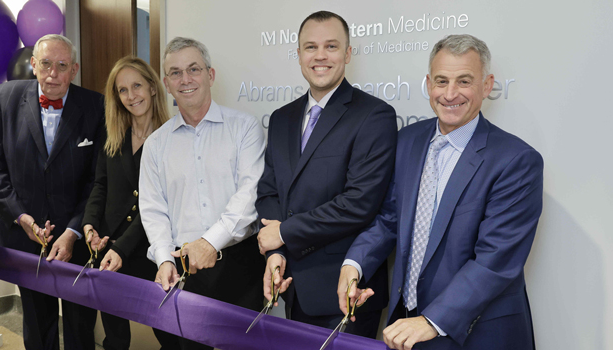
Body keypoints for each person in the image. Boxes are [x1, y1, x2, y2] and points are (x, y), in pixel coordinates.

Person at [340, 34, 543, 350]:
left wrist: (432, 320)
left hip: (476, 333)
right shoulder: (407, 140)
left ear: (487, 85)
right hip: (406, 324)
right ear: (428, 83)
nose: (450, 94)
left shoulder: (516, 160)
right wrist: (354, 264)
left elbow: (494, 261)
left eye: (464, 81)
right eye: (441, 81)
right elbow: (390, 219)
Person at [254, 10, 397, 337]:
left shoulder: (374, 116)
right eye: (310, 47)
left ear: (347, 54)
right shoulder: (281, 118)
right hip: (293, 285)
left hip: (345, 291)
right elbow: (269, 192)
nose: (320, 56)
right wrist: (276, 252)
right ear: (300, 54)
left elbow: (359, 203)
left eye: (331, 46)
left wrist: (285, 233)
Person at [0, 34, 104, 350]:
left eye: (62, 66)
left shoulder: (95, 106)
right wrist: (21, 218)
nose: (53, 74)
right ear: (33, 64)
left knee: (80, 327)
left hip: (77, 240)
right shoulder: (4, 99)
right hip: (25, 238)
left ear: (74, 70)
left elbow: (98, 179)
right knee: (37, 326)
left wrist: (73, 231)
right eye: (46, 64)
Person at [140, 37, 266, 349]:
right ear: (167, 84)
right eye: (175, 73)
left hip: (240, 268)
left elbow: (249, 196)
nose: (185, 80)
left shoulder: (245, 129)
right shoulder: (156, 145)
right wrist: (162, 258)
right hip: (182, 270)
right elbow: (153, 210)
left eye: (193, 69)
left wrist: (210, 242)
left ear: (210, 75)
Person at [81, 56, 177, 350]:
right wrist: (89, 225)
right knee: (115, 337)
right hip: (108, 247)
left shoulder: (172, 137)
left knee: (170, 334)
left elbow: (158, 204)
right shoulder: (113, 135)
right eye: (122, 90)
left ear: (152, 87)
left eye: (137, 86)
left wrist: (122, 247)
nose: (131, 95)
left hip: (148, 248)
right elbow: (101, 185)